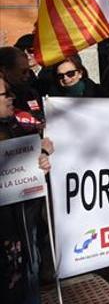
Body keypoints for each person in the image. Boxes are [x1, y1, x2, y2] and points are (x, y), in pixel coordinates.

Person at [0, 73, 53, 304]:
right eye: (4, 94)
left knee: (29, 275)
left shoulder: (16, 125)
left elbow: (28, 169)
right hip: (6, 232)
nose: (12, 97)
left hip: (24, 223)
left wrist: (41, 159)